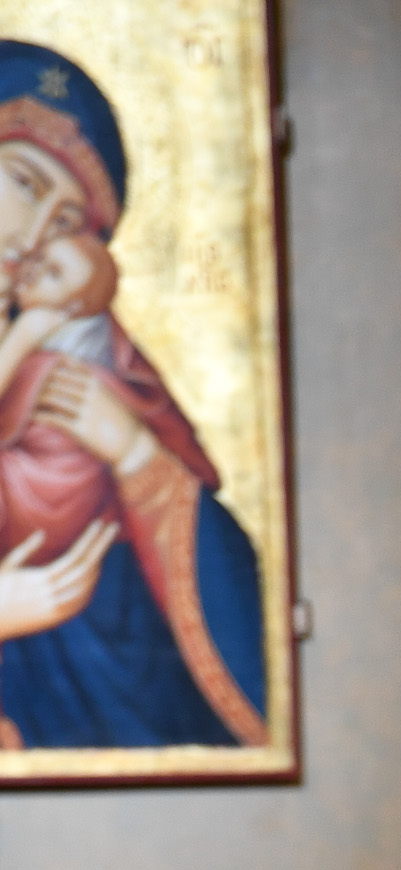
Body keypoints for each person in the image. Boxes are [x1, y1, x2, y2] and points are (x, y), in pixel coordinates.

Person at [0, 41, 265, 750]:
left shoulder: (95, 365)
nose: (34, 238)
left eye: (66, 223)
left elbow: (222, 605)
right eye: (23, 182)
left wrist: (135, 454)